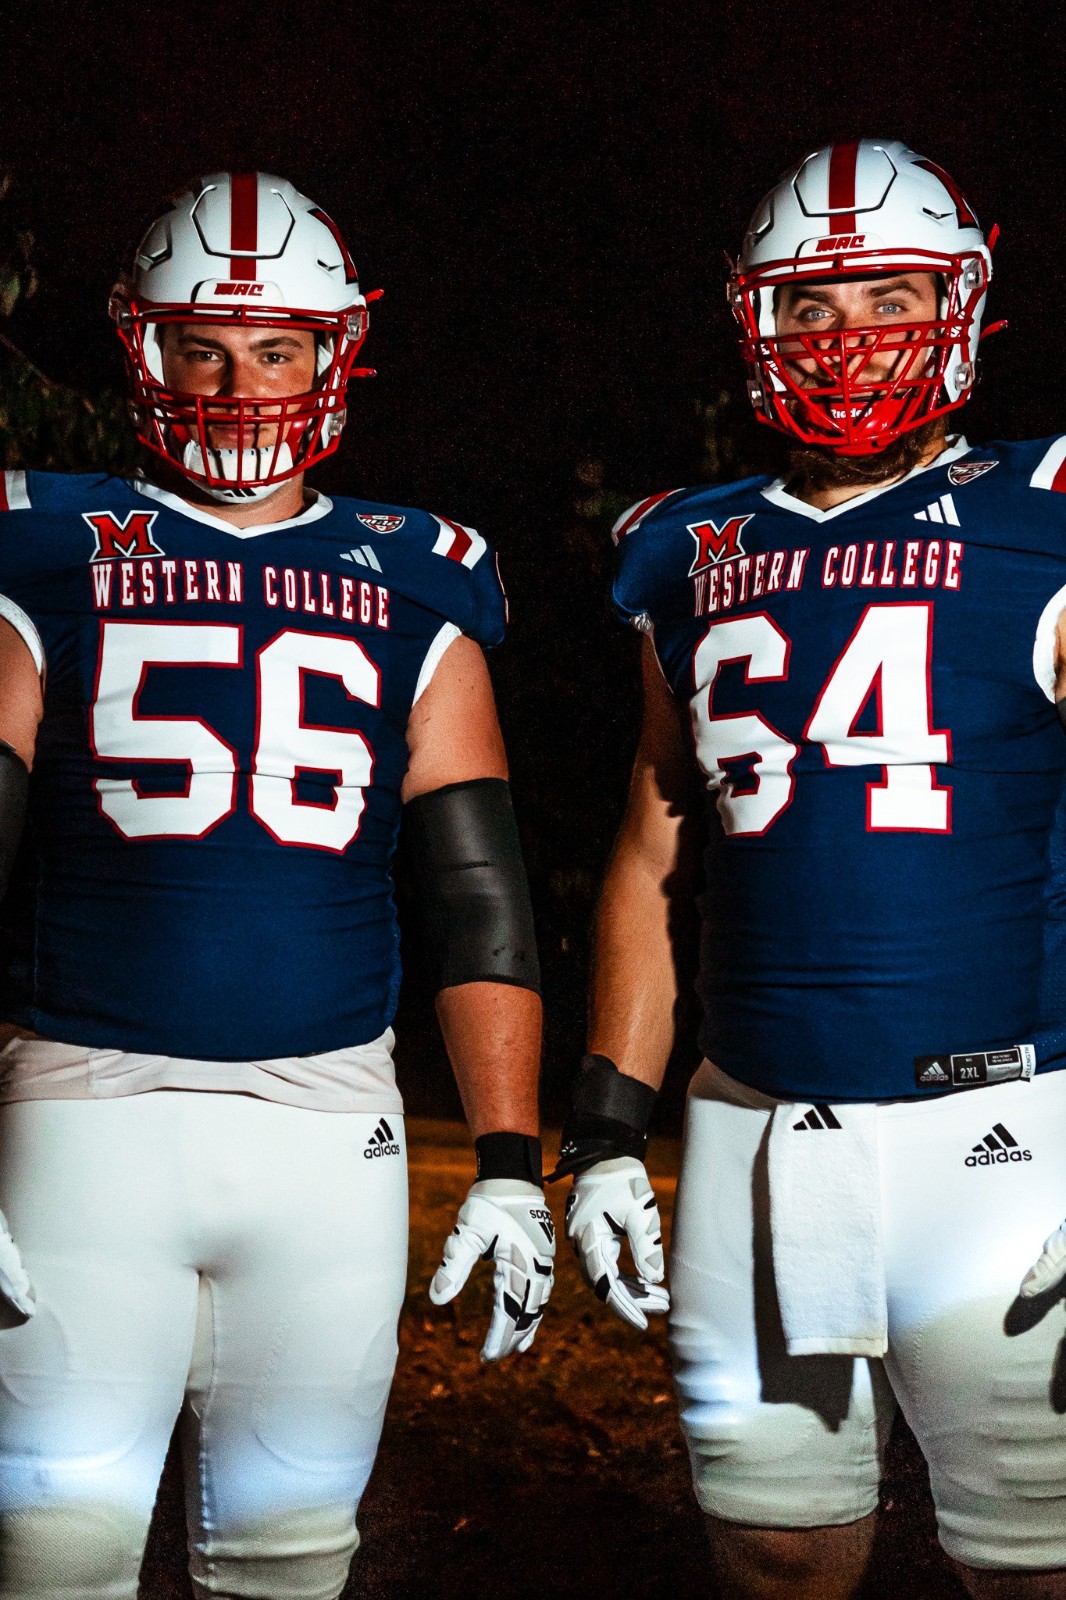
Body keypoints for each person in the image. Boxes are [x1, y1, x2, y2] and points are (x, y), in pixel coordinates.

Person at [0, 171, 553, 1600]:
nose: (240, 386)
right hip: (85, 1105)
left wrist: (507, 1162)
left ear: (333, 354)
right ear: (145, 347)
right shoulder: (47, 544)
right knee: (54, 1553)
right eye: (204, 347)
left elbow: (476, 896)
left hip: (330, 1130)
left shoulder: (420, 576)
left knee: (292, 1562)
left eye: (276, 348)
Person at [555, 140, 1066, 1598]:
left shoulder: (1041, 509)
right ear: (755, 322)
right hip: (751, 1128)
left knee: (1033, 1567)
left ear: (960, 306)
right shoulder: (680, 544)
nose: (847, 341)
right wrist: (606, 1126)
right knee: (777, 1554)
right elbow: (656, 838)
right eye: (811, 307)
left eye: (888, 298)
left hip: (1010, 1125)